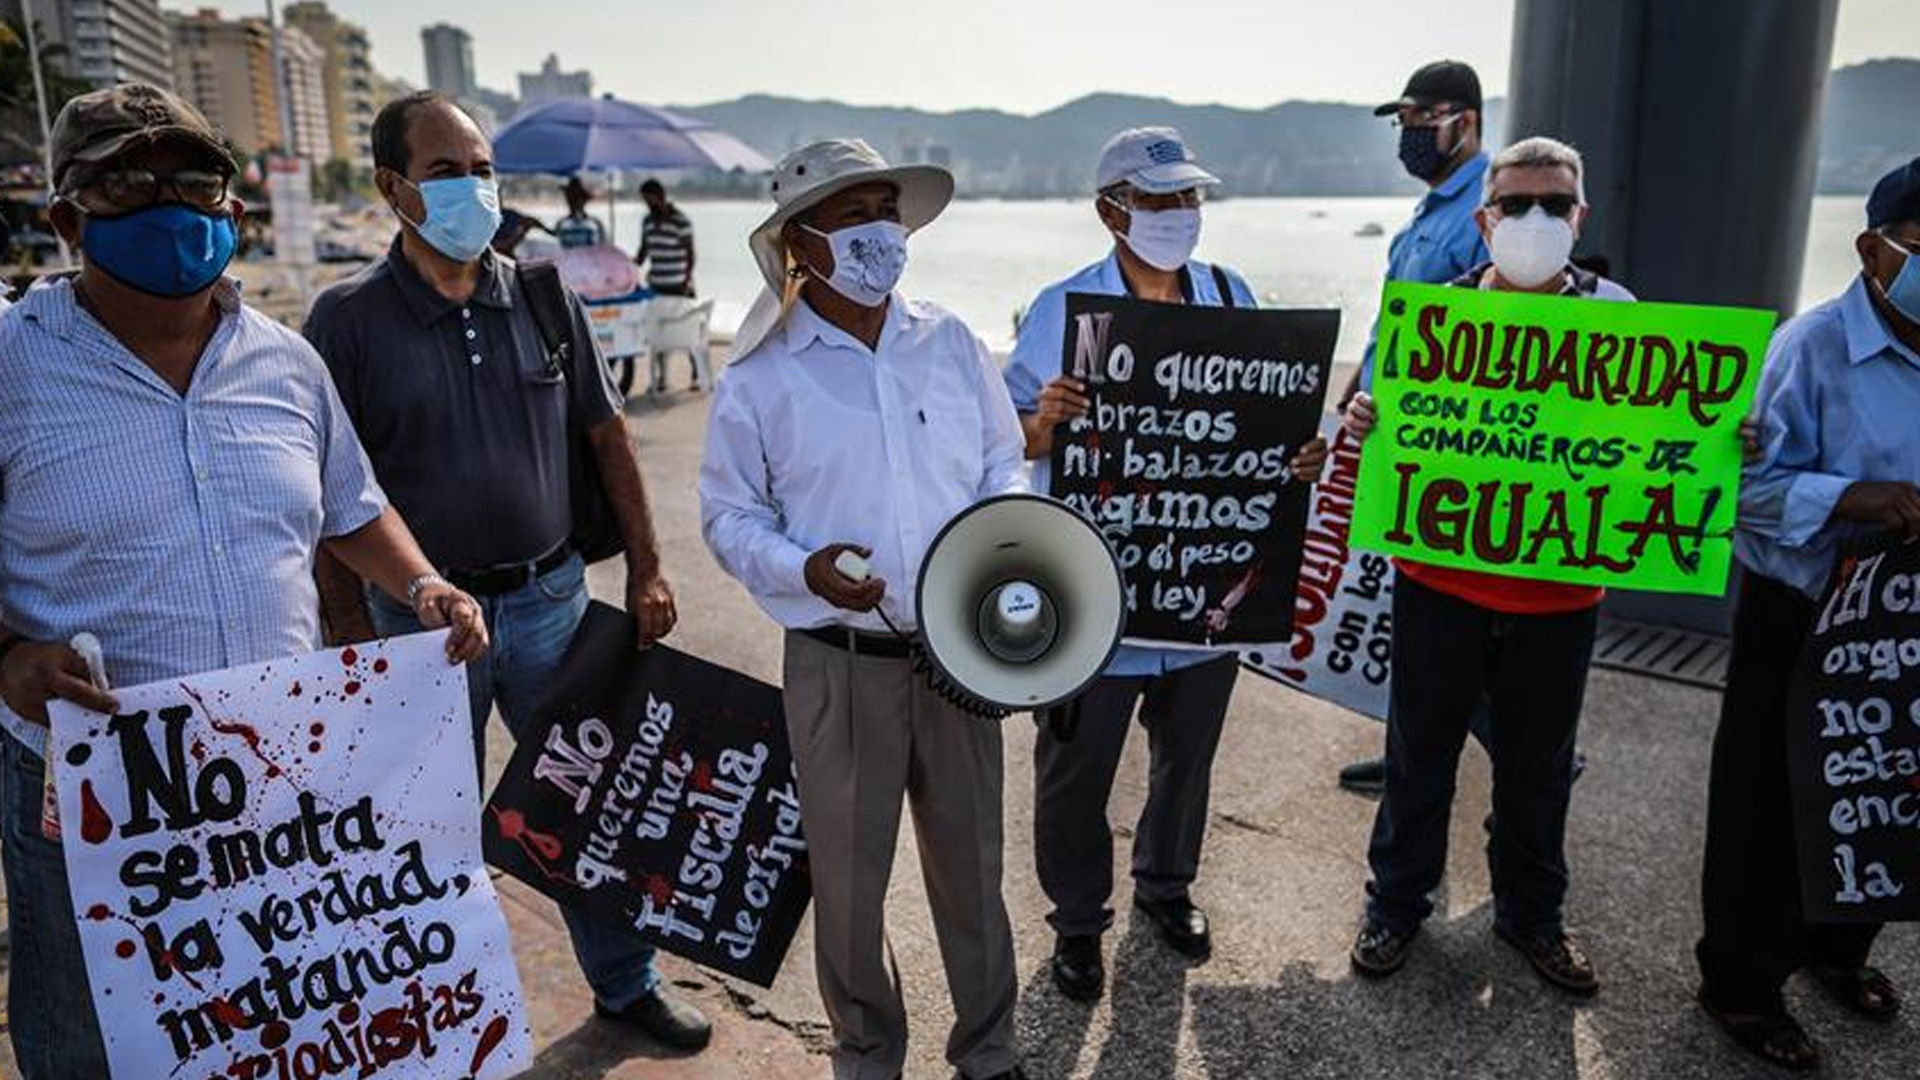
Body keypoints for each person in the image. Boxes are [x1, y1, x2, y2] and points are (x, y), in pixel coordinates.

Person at [0, 83, 489, 1080]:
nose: (171, 205)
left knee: (265, 1015)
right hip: (90, 795)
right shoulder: (11, 365)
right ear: (65, 218)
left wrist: (425, 582)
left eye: (196, 179)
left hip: (273, 774)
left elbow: (353, 509)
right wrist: (7, 656)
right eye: (129, 184)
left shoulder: (288, 363)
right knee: (86, 1028)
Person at [303, 91, 710, 1051]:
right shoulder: (347, 319)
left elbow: (608, 438)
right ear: (393, 188)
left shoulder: (541, 292)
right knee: (421, 830)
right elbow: (324, 489)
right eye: (447, 171)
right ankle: (430, 1017)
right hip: (418, 627)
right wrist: (349, 630)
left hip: (550, 601)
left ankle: (626, 983)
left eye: (482, 168)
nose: (473, 187)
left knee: (585, 806)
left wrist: (646, 570)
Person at [700, 138, 1029, 1080]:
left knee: (972, 868)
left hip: (962, 654)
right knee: (849, 882)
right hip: (839, 663)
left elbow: (1004, 459)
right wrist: (803, 568)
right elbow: (727, 514)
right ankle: (867, 1050)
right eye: (854, 214)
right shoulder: (760, 377)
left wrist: (1000, 533)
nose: (881, 230)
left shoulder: (951, 340)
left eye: (888, 209)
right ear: (799, 240)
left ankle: (989, 1047)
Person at [1004, 126, 1329, 1003]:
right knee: (1074, 771)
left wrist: (1303, 457)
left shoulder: (1233, 293)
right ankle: (1077, 922)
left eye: (1188, 197)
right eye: (1158, 200)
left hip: (1207, 583)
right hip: (1094, 594)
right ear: (1111, 210)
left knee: (1188, 760)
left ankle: (1166, 886)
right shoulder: (1060, 309)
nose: (1179, 214)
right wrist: (1049, 422)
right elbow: (1001, 444)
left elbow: (1269, 425)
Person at [1344, 137, 1634, 996]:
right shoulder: (1432, 317)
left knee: (1540, 768)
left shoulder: (1620, 314)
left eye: (1554, 204)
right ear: (1485, 217)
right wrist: (1365, 424)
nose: (1534, 219)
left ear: (1579, 218)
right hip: (1439, 583)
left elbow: (1658, 441)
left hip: (1560, 594)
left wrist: (1722, 445)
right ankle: (1395, 905)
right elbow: (1388, 429)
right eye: (1516, 204)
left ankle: (1532, 917)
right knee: (1417, 755)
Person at [1693, 156, 1920, 1072]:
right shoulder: (1810, 346)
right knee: (1766, 802)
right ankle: (1740, 985)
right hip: (1803, 609)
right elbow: (1735, 488)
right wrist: (1854, 498)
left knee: (1886, 786)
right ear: (1874, 250)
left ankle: (1838, 951)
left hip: (1904, 619)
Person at [1337, 59, 1492, 795]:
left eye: (1419, 119)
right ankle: (1407, 750)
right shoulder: (1430, 213)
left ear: (1465, 120)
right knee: (1405, 607)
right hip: (1393, 439)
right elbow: (1402, 319)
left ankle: (1531, 753)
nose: (1408, 135)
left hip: (1442, 452)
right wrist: (1359, 384)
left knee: (1448, 621)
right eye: (1402, 122)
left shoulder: (1485, 209)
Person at [635, 178, 700, 391]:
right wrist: (628, 266)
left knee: (688, 333)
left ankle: (696, 375)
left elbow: (691, 254)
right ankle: (662, 379)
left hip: (680, 287)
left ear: (659, 197)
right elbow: (643, 252)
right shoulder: (647, 222)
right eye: (645, 201)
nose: (647, 205)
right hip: (657, 287)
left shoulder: (681, 221)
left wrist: (686, 279)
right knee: (659, 334)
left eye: (649, 200)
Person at [554, 174, 607, 248]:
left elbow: (603, 248)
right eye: (571, 197)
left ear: (584, 200)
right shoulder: (561, 224)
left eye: (579, 197)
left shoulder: (595, 224)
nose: (575, 201)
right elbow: (557, 248)